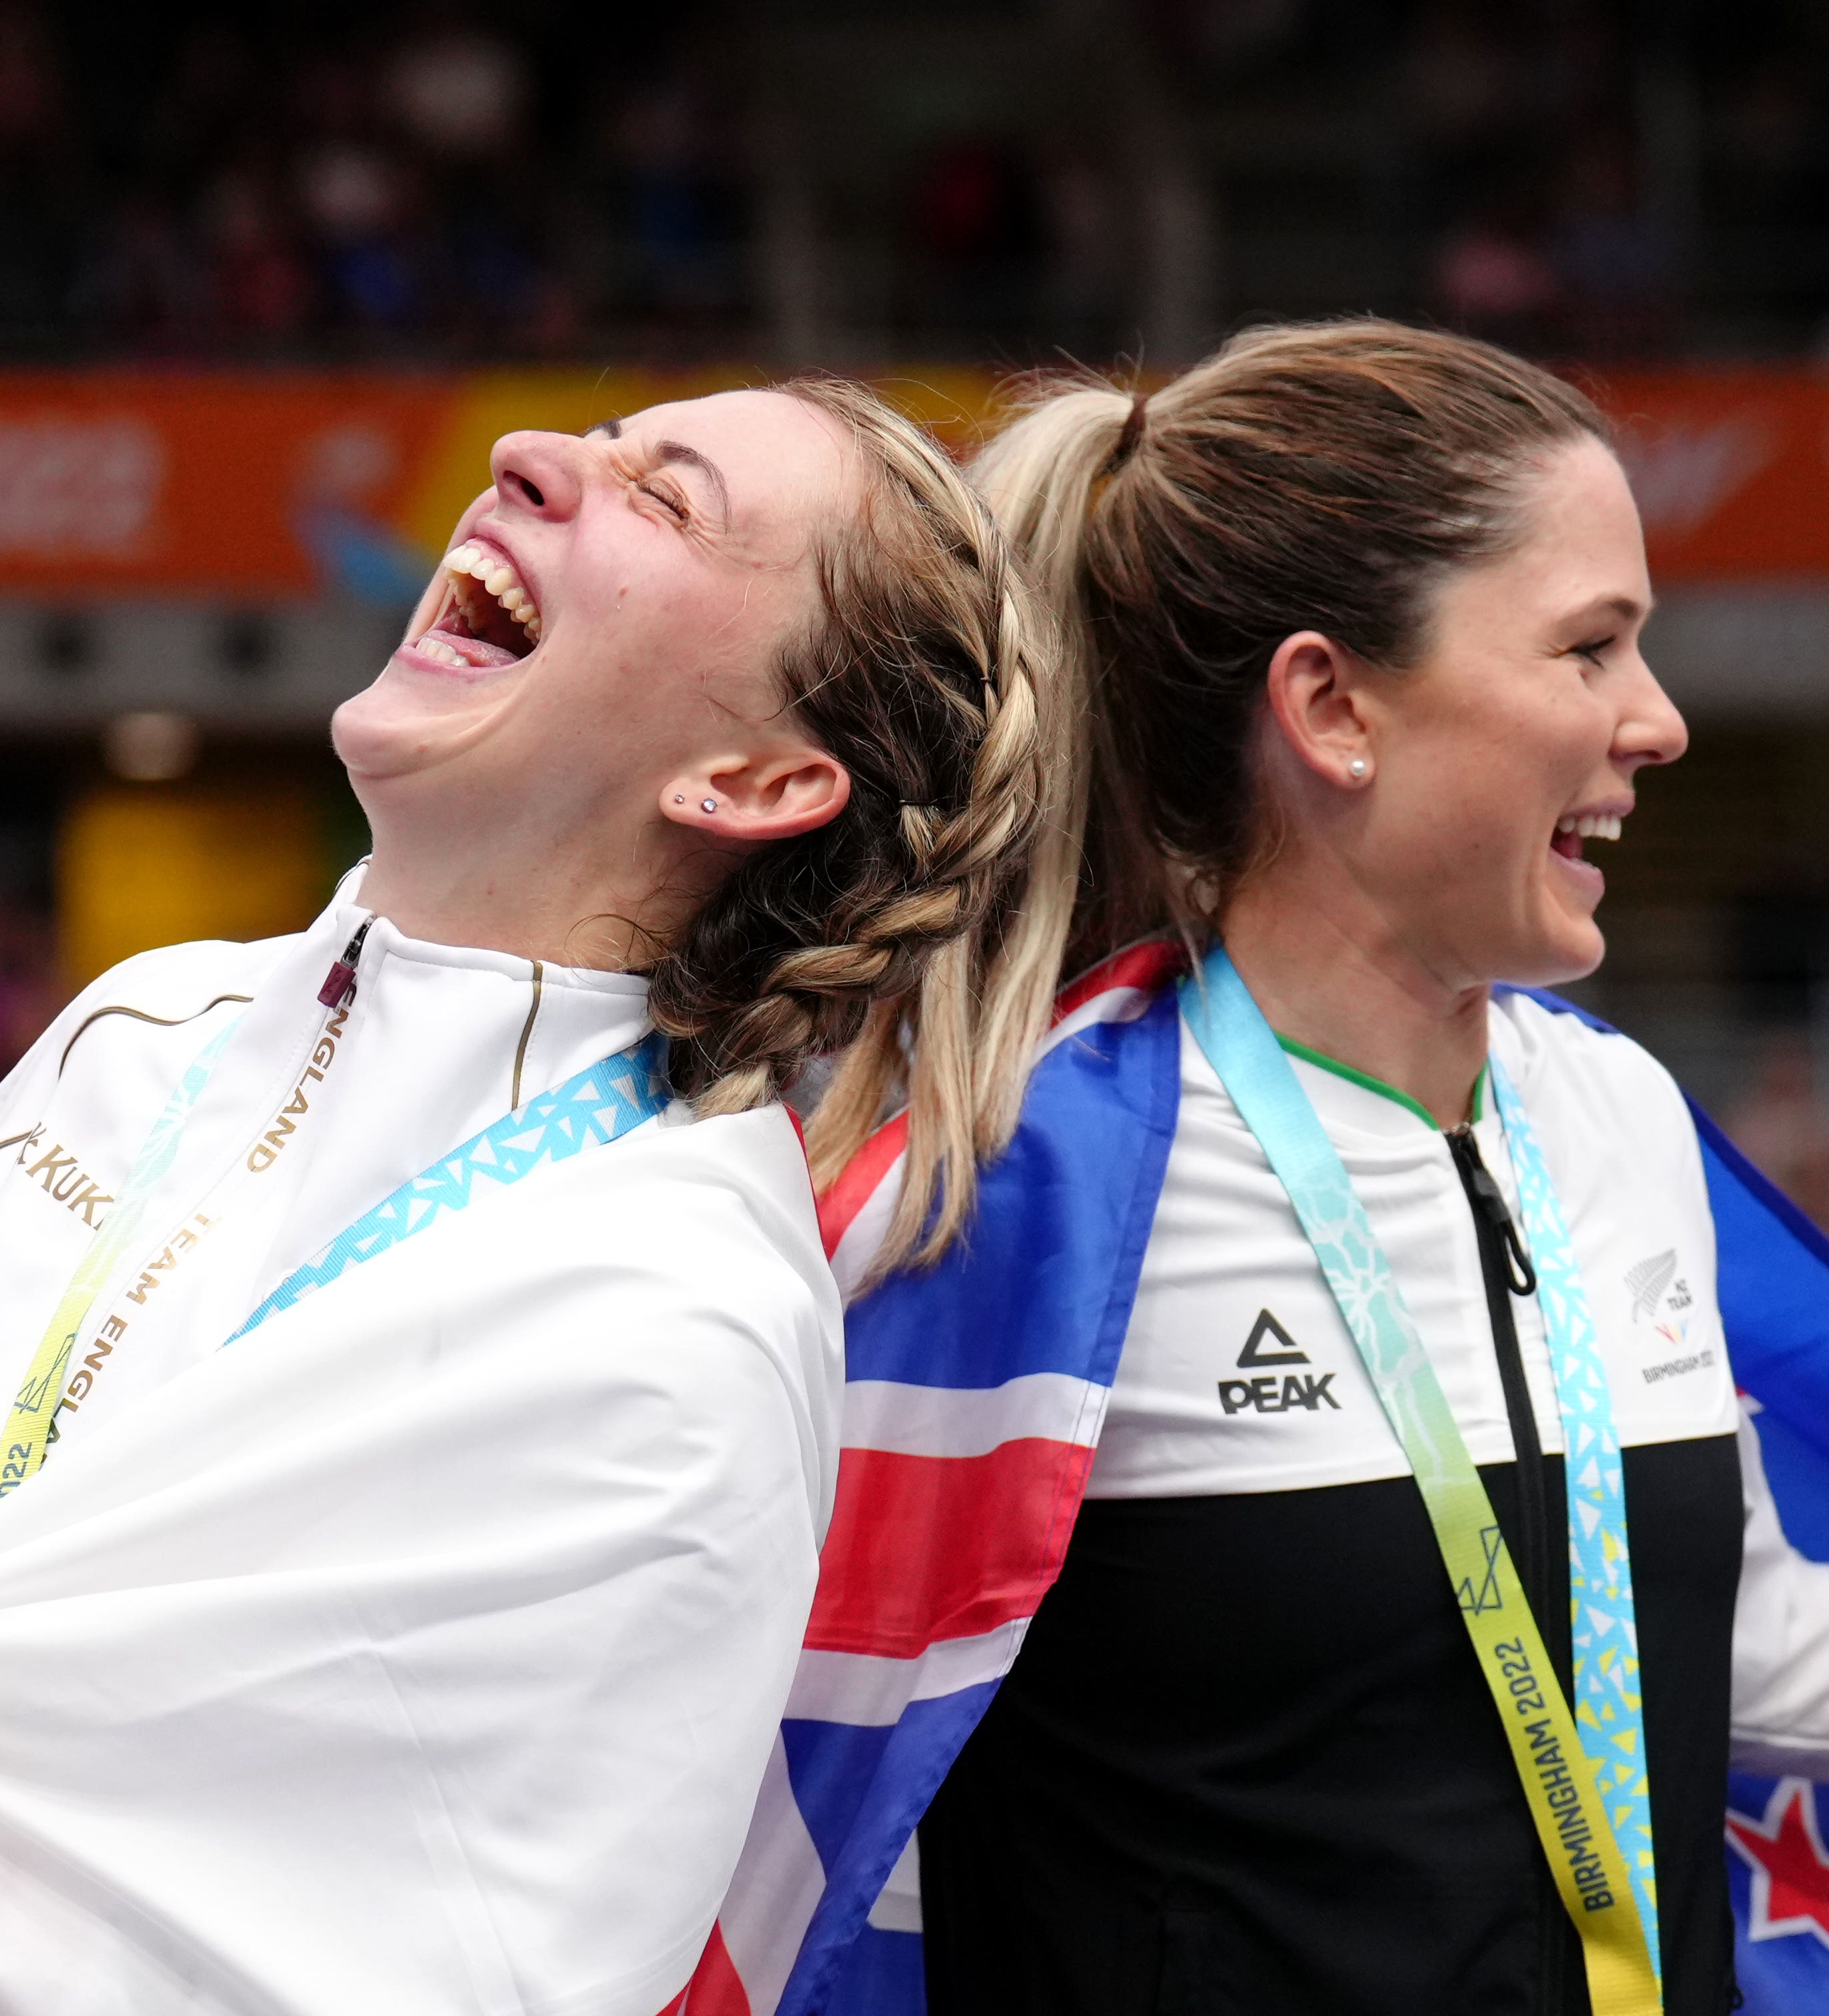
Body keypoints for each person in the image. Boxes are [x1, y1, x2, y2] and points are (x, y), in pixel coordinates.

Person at [0, 376, 1077, 2015]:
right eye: (594, 435)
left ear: (756, 781)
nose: (538, 460)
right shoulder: (156, 1025)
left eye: (665, 500)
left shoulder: (662, 1310)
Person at [693, 320, 1829, 2016]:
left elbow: (1746, 1645)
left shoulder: (1617, 1118)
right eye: (1587, 648)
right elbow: (763, 1801)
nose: (1655, 722)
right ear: (1329, 706)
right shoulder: (1013, 1187)